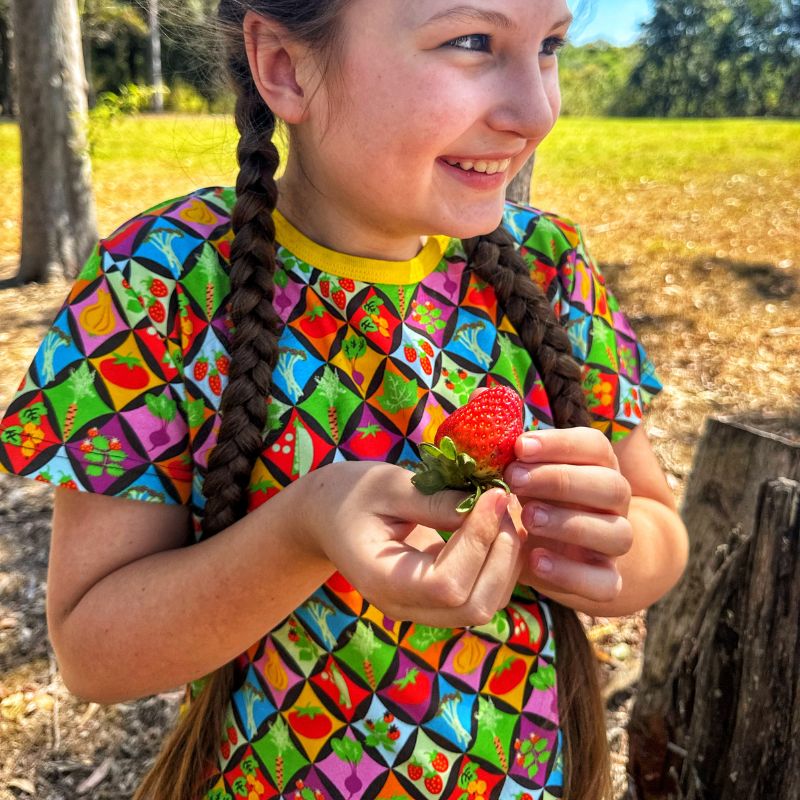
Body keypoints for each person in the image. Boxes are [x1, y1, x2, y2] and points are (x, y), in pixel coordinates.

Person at [0, 1, 689, 798]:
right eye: (471, 41)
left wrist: (599, 545)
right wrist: (306, 527)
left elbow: (658, 535)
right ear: (285, 66)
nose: (535, 112)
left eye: (549, 47)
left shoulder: (550, 266)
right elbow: (95, 654)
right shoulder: (161, 283)